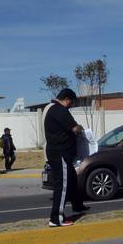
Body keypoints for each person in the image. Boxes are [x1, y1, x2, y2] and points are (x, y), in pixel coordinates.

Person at [43, 88, 89, 227]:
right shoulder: (60, 110)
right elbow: (74, 128)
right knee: (62, 185)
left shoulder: (51, 108)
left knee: (71, 179)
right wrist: (80, 128)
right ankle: (56, 218)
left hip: (58, 152)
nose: (71, 106)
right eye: (71, 103)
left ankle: (77, 205)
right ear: (67, 99)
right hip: (60, 153)